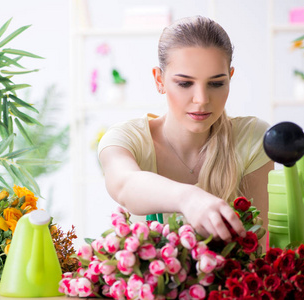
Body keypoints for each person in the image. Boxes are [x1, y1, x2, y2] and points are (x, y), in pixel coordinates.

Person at [97, 16, 274, 248]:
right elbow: (125, 185)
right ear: (159, 80)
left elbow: (259, 248)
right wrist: (189, 198)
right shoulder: (125, 140)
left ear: (230, 78)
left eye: (216, 83)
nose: (201, 100)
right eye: (184, 83)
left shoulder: (252, 138)